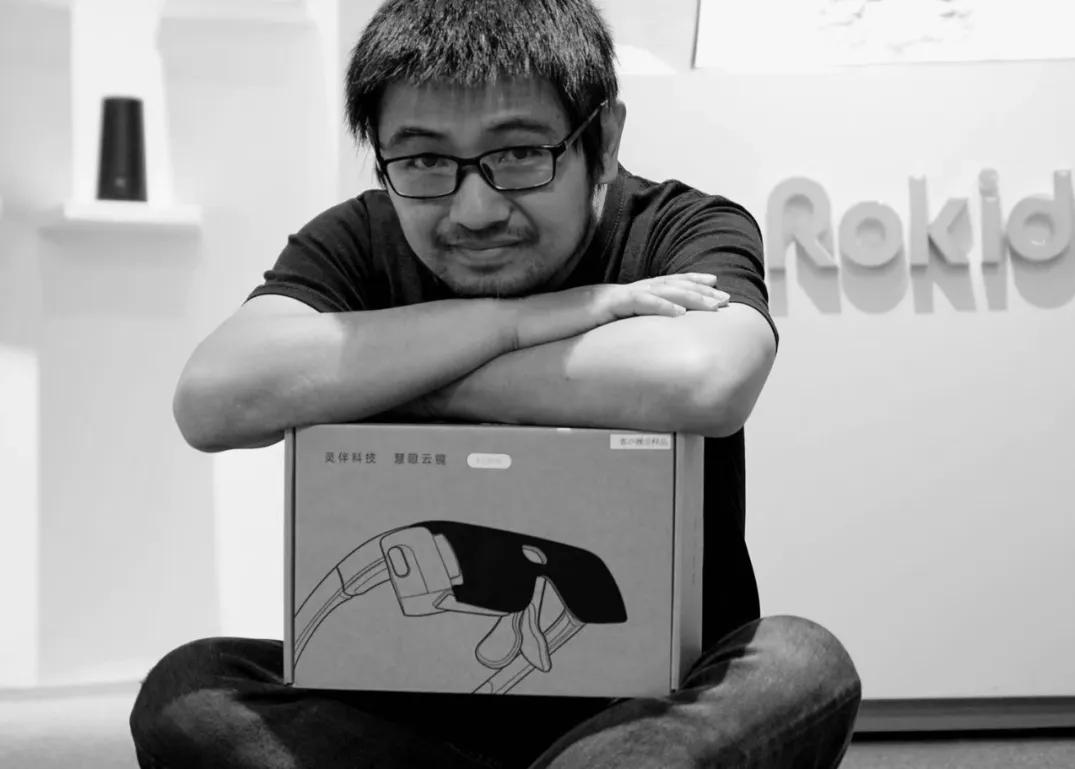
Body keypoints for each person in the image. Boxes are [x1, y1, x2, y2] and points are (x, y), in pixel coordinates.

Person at [129, 1, 861, 767]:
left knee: (798, 662)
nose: (474, 209)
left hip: (649, 707)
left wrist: (394, 380)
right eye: (423, 160)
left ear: (604, 138)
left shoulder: (681, 227)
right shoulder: (358, 239)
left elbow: (704, 380)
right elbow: (215, 398)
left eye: (517, 154)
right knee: (191, 690)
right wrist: (516, 322)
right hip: (397, 715)